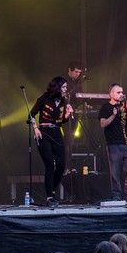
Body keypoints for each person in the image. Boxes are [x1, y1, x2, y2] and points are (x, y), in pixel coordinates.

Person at [29, 77, 73, 206]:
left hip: (57, 132)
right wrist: (35, 129)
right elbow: (31, 114)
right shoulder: (44, 98)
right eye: (63, 87)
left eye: (66, 87)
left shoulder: (64, 101)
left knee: (61, 165)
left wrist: (67, 116)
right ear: (57, 87)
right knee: (49, 164)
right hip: (44, 132)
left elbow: (61, 120)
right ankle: (49, 197)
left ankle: (52, 190)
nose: (65, 90)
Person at [99, 84, 127, 204]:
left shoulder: (124, 106)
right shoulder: (105, 107)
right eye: (118, 92)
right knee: (114, 172)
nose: (121, 94)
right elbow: (103, 124)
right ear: (111, 94)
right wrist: (113, 115)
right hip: (113, 145)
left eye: (122, 92)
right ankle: (116, 196)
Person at [63, 61, 86, 173]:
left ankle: (69, 166)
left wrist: (85, 104)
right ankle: (66, 167)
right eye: (76, 72)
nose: (78, 74)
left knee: (70, 139)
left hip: (73, 114)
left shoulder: (78, 83)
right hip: (63, 114)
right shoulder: (63, 81)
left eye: (79, 72)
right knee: (67, 139)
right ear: (69, 70)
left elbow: (80, 97)